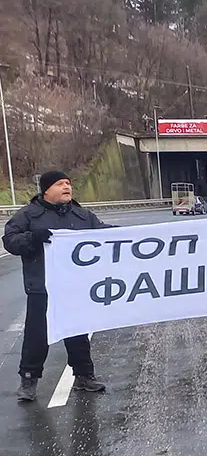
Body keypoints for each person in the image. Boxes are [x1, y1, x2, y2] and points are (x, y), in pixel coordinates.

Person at [3, 171, 114, 402]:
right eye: (60, 184)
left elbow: (106, 236)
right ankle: (29, 380)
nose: (67, 187)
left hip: (74, 286)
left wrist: (131, 235)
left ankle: (84, 376)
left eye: (69, 183)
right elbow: (11, 241)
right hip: (42, 287)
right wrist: (33, 238)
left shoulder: (82, 216)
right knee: (37, 335)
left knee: (77, 332)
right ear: (46, 190)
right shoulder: (29, 216)